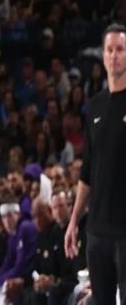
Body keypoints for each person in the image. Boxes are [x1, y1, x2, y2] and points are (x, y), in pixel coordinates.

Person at [65, 22, 126, 305]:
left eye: (120, 49)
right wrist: (74, 220)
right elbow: (87, 171)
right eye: (109, 50)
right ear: (102, 56)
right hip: (97, 229)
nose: (114, 55)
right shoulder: (95, 106)